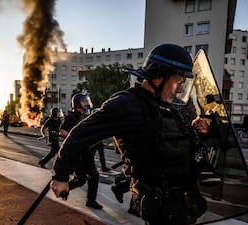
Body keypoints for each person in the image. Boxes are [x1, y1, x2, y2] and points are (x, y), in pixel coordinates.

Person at [51, 43, 210, 224]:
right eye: (178, 81)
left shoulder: (167, 109)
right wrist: (61, 175)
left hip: (181, 202)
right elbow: (81, 133)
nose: (181, 88)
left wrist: (197, 130)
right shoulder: (128, 104)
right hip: (159, 204)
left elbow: (172, 142)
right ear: (158, 76)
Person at [58, 93, 103, 210]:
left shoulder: (84, 116)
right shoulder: (71, 117)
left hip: (86, 152)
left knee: (94, 175)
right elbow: (62, 132)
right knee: (81, 179)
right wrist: (76, 140)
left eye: (86, 100)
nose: (86, 103)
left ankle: (91, 201)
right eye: (83, 101)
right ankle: (64, 189)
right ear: (77, 103)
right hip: (77, 154)